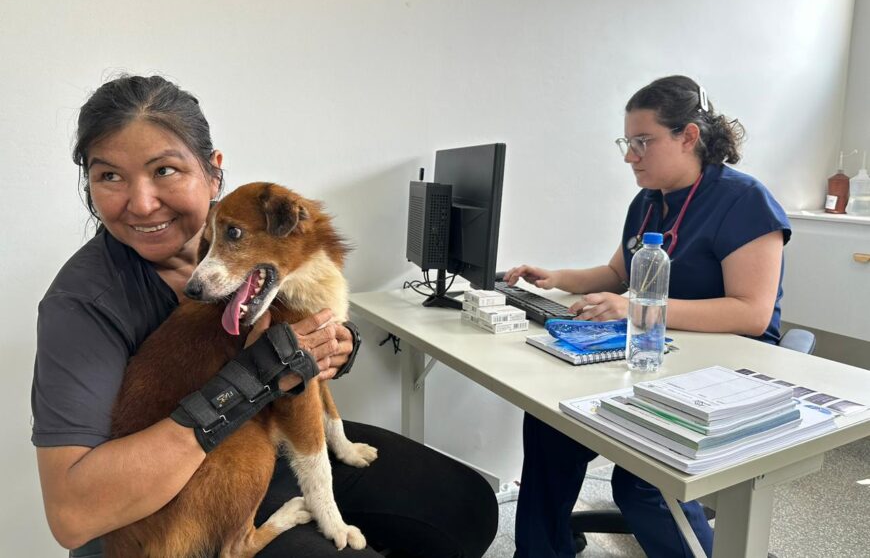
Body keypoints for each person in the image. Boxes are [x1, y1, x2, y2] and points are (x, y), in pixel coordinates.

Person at [31, 74, 497, 558]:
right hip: (167, 503)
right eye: (109, 176)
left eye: (165, 170)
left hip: (269, 441)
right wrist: (252, 378)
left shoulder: (246, 233)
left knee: (467, 506)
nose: (143, 202)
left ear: (213, 174)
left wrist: (338, 345)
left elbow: (303, 325)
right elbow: (73, 517)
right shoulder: (82, 305)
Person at [504, 75, 790, 558]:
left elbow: (752, 314)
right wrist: (553, 277)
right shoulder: (647, 201)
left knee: (643, 482)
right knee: (550, 426)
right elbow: (617, 272)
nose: (629, 155)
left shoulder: (744, 200)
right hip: (657, 353)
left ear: (688, 137)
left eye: (643, 141)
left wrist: (638, 308)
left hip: (727, 367)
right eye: (627, 141)